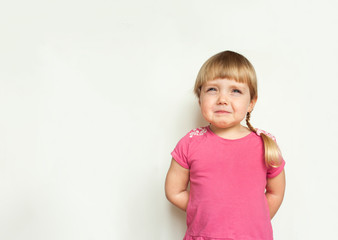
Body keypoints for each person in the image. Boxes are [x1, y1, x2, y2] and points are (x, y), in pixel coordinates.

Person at [165, 50, 286, 240]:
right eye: (212, 89)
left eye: (235, 91)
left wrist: (250, 221)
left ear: (251, 103)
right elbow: (174, 191)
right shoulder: (190, 142)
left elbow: (276, 192)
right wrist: (205, 211)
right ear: (200, 99)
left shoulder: (264, 144)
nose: (222, 99)